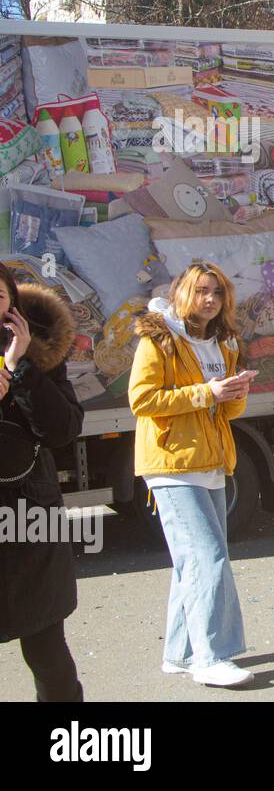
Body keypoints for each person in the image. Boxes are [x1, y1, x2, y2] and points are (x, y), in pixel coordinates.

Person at [129, 261, 258, 688]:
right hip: (171, 464)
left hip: (212, 460)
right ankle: (213, 657)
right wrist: (208, 392)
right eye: (201, 290)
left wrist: (233, 393)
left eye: (217, 293)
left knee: (192, 563)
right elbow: (142, 400)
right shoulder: (159, 338)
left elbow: (226, 408)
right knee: (209, 557)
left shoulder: (221, 342)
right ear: (182, 292)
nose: (209, 300)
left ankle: (180, 653)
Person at [0, 263, 86, 701]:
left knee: (47, 649)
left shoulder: (40, 355)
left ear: (12, 306)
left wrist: (22, 372)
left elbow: (63, 431)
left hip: (31, 519)